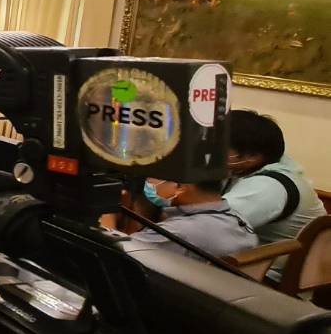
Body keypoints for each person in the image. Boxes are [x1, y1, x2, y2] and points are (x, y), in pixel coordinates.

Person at [223, 109, 323, 245]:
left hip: (264, 264)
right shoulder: (246, 167)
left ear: (253, 157)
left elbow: (211, 225)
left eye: (218, 147)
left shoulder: (268, 187)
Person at [120, 176, 259, 260]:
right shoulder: (236, 216)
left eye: (152, 180)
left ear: (180, 187)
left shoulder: (179, 231)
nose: (148, 184)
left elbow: (118, 254)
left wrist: (110, 213)